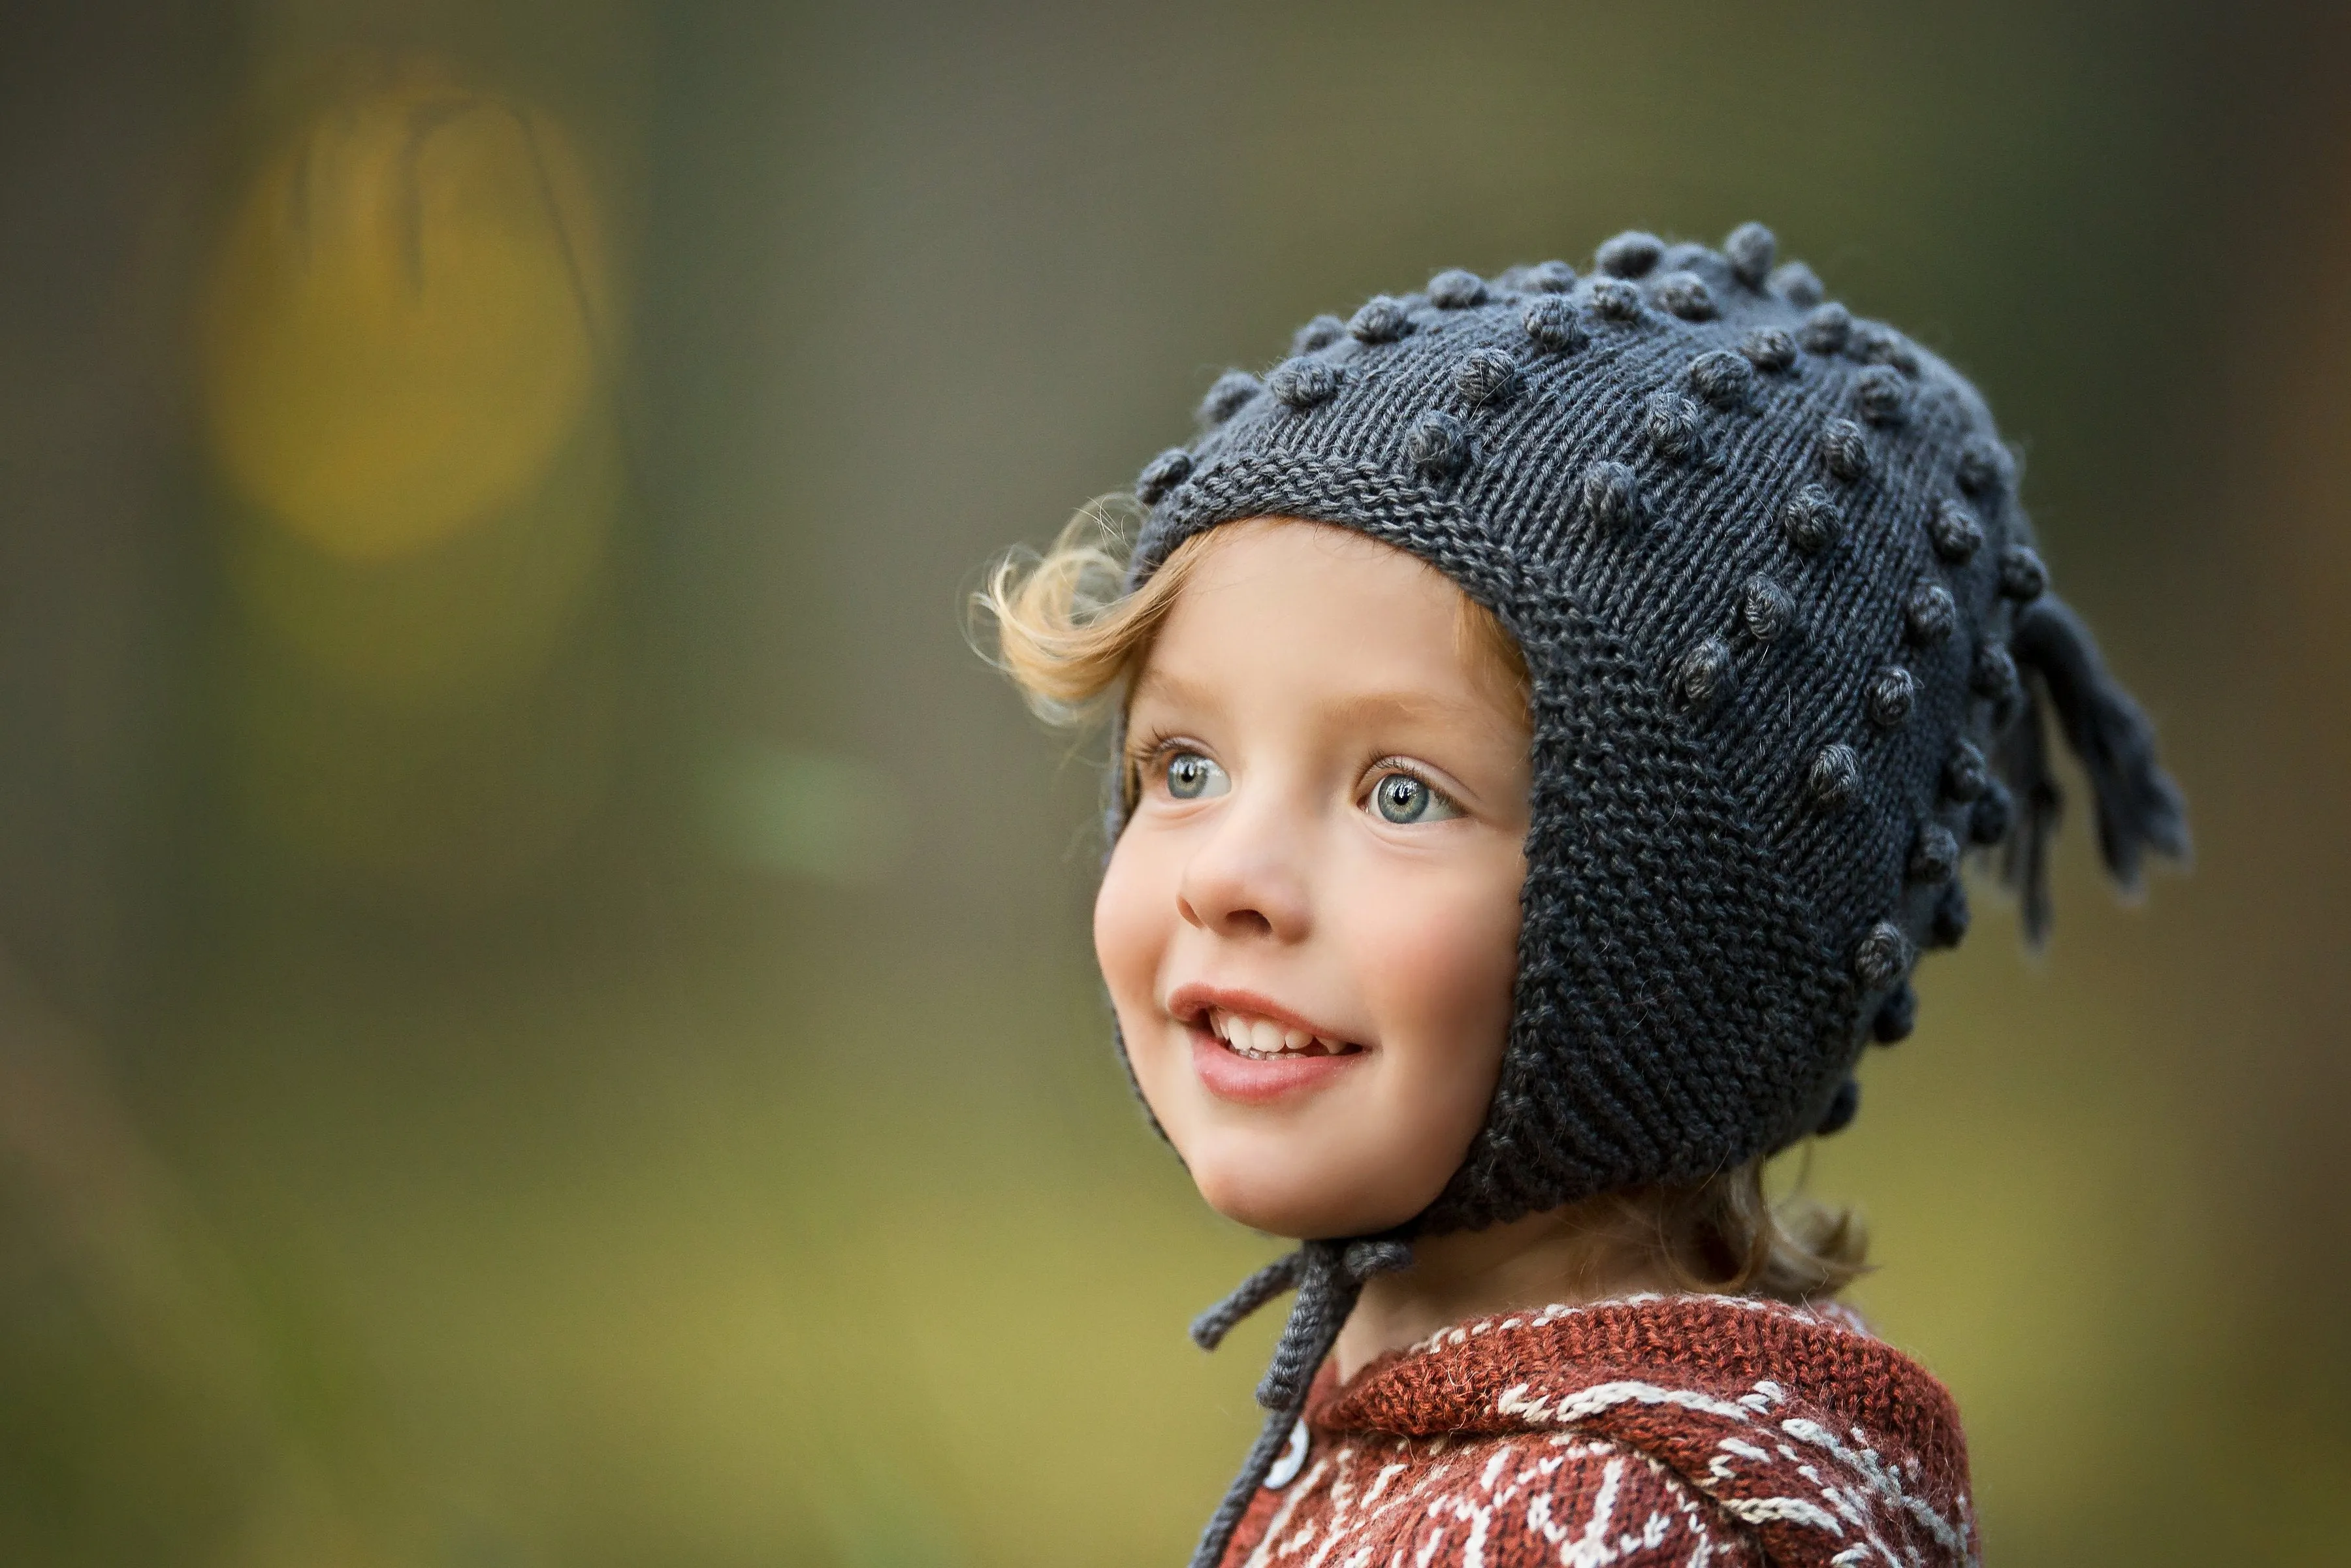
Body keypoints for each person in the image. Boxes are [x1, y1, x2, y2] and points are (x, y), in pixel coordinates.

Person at [978, 223, 2186, 1568]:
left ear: (1671, 939)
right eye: (1184, 766)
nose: (1227, 876)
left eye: (1401, 794)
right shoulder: (1488, 1439)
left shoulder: (1594, 1530)